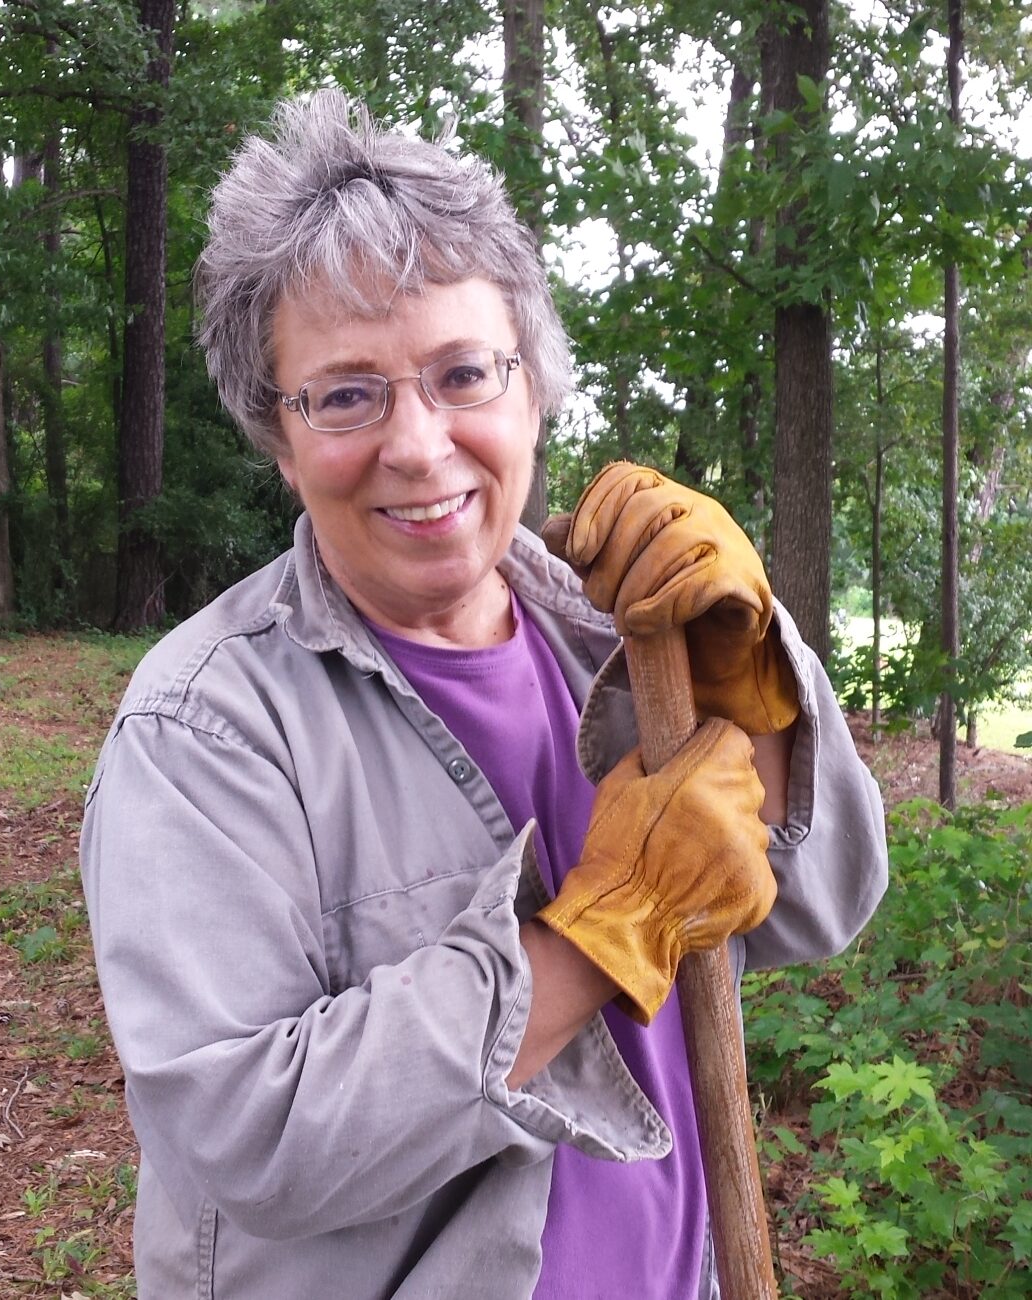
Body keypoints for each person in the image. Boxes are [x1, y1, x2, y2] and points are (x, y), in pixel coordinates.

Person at [79, 88, 888, 1300]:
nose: (417, 441)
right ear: (279, 435)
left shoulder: (623, 635)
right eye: (346, 393)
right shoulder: (204, 725)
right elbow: (252, 1134)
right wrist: (601, 932)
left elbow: (818, 906)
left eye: (463, 372)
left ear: (532, 387)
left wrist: (751, 681)